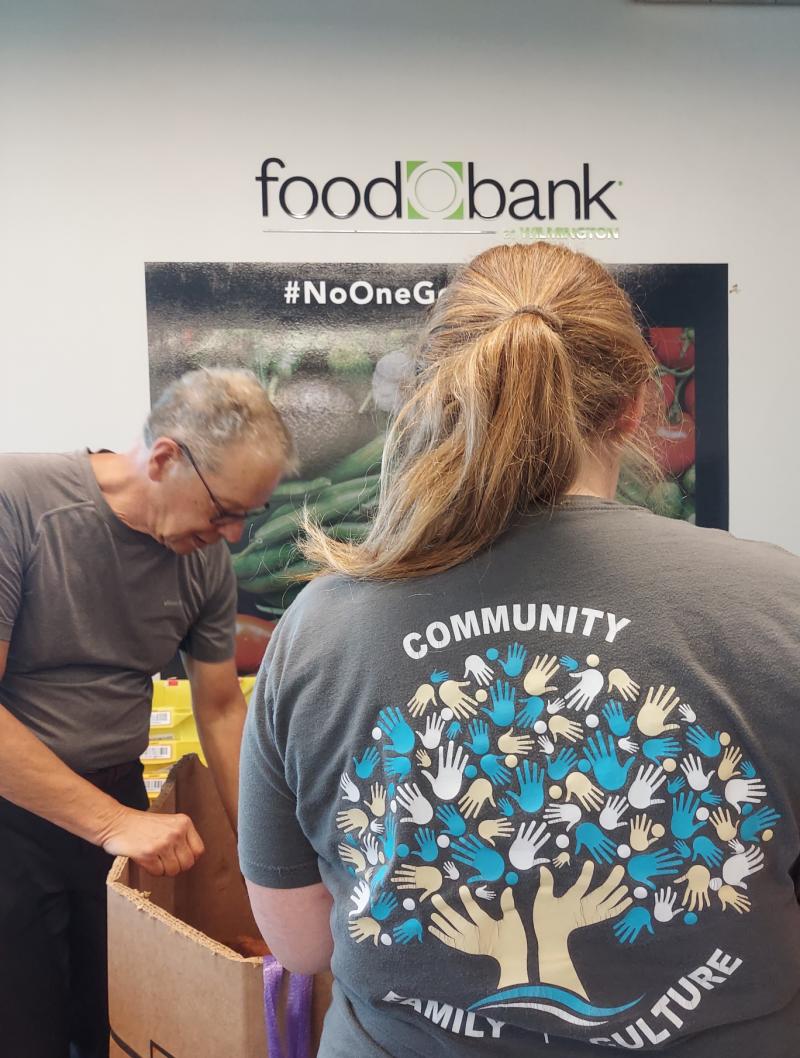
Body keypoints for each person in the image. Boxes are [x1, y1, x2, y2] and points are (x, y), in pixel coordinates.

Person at [238, 241, 800, 1057]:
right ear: (635, 407)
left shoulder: (319, 627)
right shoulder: (778, 604)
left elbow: (303, 944)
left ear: (438, 398)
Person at [0, 366, 295, 1058]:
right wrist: (112, 823)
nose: (228, 537)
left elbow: (221, 709)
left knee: (119, 1019)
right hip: (16, 816)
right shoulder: (19, 501)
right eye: (224, 511)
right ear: (164, 458)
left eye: (244, 520)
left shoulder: (202, 562)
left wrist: (266, 856)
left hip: (119, 800)